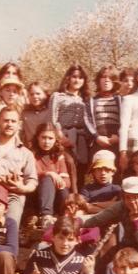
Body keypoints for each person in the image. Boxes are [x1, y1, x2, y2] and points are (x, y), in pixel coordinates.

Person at [82, 176, 138, 274]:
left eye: (137, 197)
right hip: (127, 249)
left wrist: (136, 220)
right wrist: (76, 221)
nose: (132, 201)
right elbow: (96, 219)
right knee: (111, 267)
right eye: (128, 197)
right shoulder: (122, 206)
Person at [50, 64, 92, 193]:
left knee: (82, 166)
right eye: (74, 76)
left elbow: (89, 121)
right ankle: (71, 196)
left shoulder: (85, 99)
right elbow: (52, 118)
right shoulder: (58, 96)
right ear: (68, 78)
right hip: (63, 135)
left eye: (80, 77)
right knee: (69, 164)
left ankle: (80, 196)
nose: (77, 80)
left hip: (81, 137)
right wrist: (60, 136)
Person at [32, 123, 70, 227]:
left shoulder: (58, 155)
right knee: (48, 179)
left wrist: (60, 181)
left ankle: (64, 216)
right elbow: (34, 174)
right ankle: (46, 216)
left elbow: (67, 181)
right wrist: (50, 173)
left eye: (50, 138)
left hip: (56, 195)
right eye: (43, 137)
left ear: (55, 140)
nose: (46, 142)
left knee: (63, 188)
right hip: (38, 195)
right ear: (37, 137)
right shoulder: (32, 154)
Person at [85, 66, 121, 159]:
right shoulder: (91, 101)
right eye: (104, 77)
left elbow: (126, 121)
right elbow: (87, 121)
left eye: (110, 78)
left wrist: (118, 136)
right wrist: (96, 137)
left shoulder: (120, 100)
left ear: (115, 81)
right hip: (98, 142)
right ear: (98, 80)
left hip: (116, 141)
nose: (107, 80)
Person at [21, 81, 52, 147]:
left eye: (38, 94)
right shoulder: (25, 113)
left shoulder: (51, 110)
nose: (35, 96)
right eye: (31, 94)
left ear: (46, 94)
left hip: (49, 146)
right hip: (32, 147)